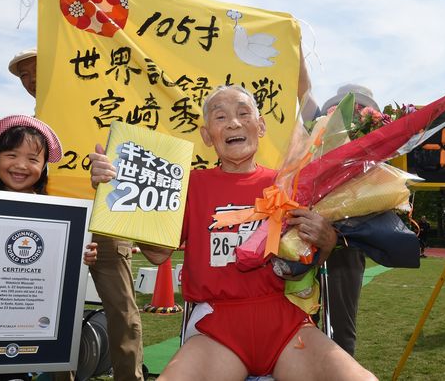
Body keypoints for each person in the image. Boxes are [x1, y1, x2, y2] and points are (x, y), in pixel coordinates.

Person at [90, 85, 376, 380]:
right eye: (220, 117)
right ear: (206, 135)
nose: (233, 123)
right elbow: (158, 253)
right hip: (216, 327)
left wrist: (327, 241)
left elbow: (307, 259)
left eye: (243, 113)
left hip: (285, 323)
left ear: (260, 125)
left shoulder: (289, 183)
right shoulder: (189, 186)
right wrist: (117, 193)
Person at [8, 48, 145, 381]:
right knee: (56, 312)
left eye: (36, 69)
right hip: (56, 225)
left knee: (122, 310)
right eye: (23, 75)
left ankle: (130, 376)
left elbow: (129, 155)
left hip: (105, 220)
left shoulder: (98, 102)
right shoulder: (30, 123)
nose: (31, 79)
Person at [0, 115, 98, 381]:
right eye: (11, 155)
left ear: (44, 166)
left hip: (38, 321)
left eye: (33, 159)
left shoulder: (58, 214)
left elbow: (64, 265)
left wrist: (83, 255)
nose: (21, 165)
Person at [313, 84, 380, 357]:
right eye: (345, 106)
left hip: (347, 245)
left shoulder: (375, 153)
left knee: (341, 325)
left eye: (360, 109)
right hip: (306, 237)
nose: (353, 113)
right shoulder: (316, 139)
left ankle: (342, 370)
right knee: (300, 319)